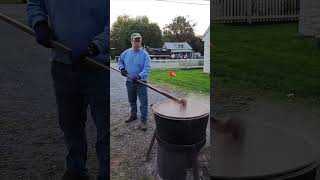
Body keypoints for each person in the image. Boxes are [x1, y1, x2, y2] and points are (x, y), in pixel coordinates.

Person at [26, 1, 109, 180]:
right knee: (70, 125)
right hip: (63, 65)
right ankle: (76, 171)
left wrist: (95, 46)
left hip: (101, 67)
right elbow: (35, 3)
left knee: (106, 130)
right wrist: (39, 22)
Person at [118, 33, 151, 131]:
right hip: (129, 82)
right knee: (132, 101)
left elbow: (148, 67)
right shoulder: (126, 53)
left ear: (141, 41)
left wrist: (139, 75)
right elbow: (120, 61)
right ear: (131, 41)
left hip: (141, 82)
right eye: (135, 41)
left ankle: (144, 121)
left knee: (143, 103)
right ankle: (133, 116)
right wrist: (122, 68)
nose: (137, 43)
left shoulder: (145, 54)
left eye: (139, 41)